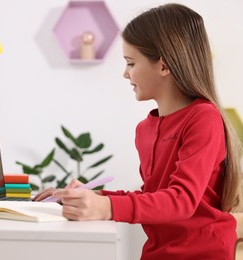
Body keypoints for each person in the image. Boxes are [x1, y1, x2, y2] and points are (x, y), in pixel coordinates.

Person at [34, 3, 242, 259]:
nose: (125, 73)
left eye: (131, 63)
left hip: (203, 253)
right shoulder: (145, 129)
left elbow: (181, 200)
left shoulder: (203, 118)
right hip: (158, 253)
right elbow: (153, 197)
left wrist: (106, 206)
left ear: (164, 66)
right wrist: (92, 196)